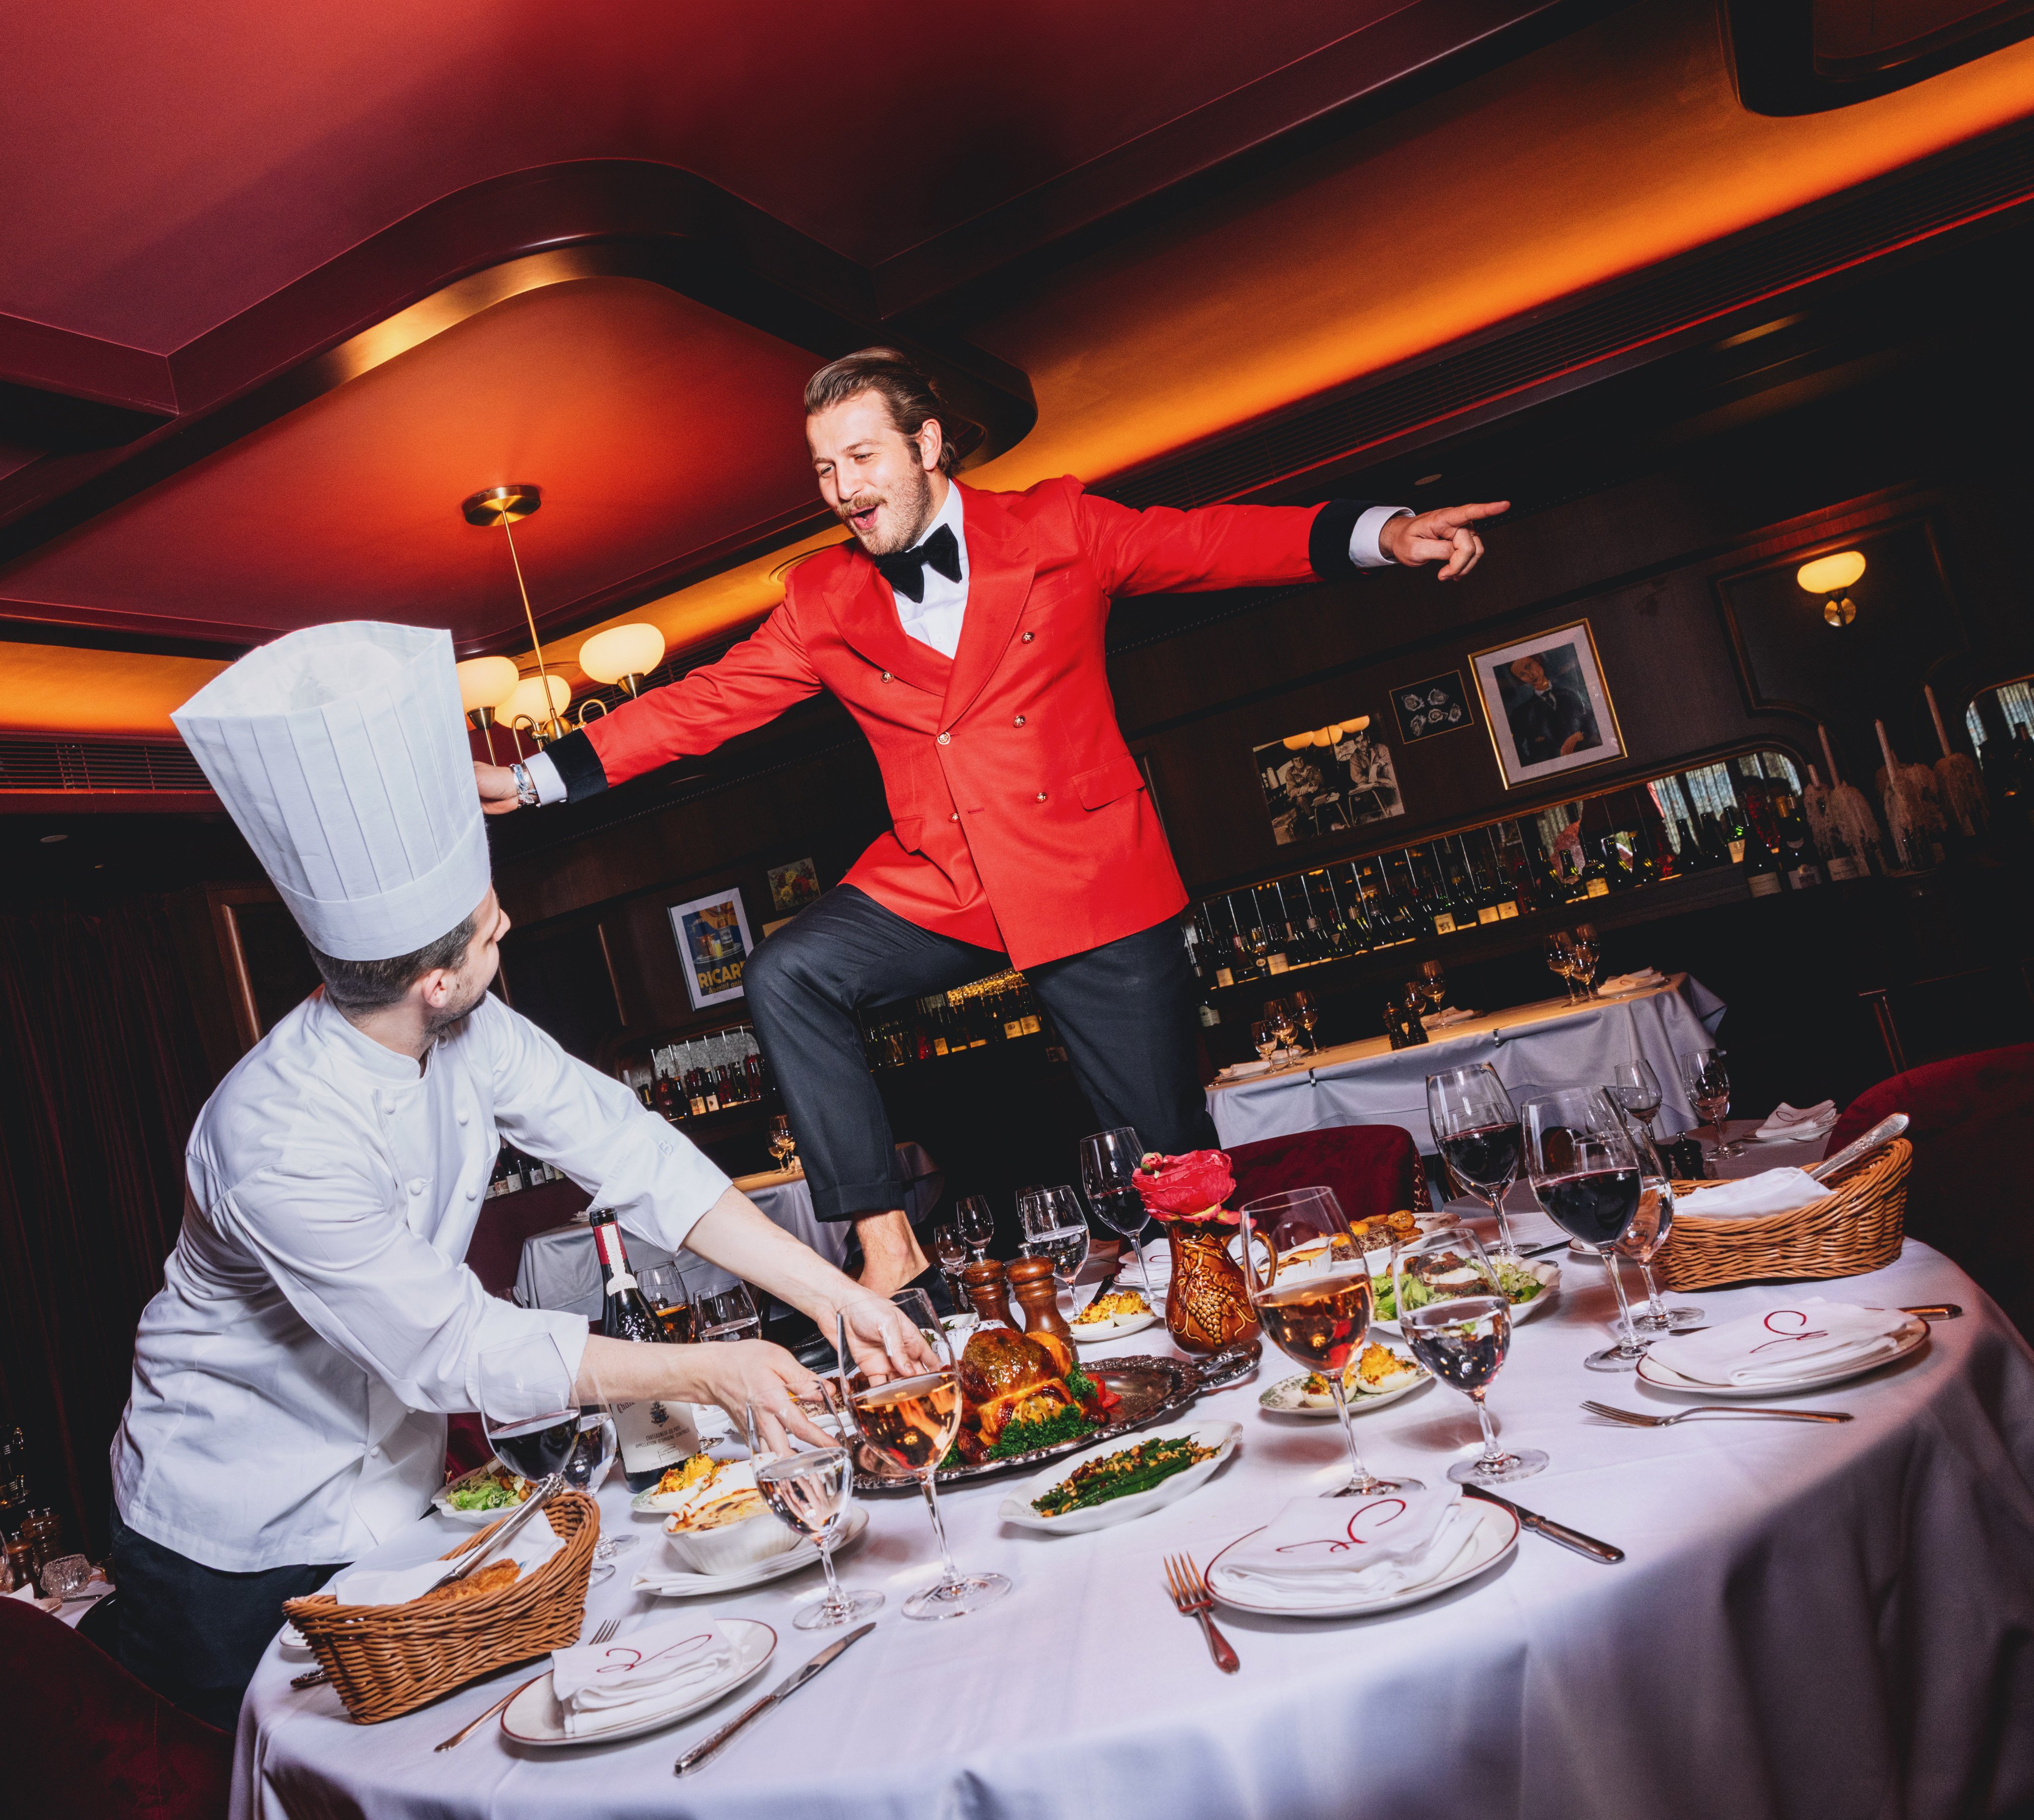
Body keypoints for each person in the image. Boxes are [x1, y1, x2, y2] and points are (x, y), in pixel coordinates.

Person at [478, 349, 1507, 1290]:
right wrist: (531, 779)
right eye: (825, 467)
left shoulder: (1055, 526)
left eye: (863, 454)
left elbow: (1206, 543)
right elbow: (705, 702)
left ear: (927, 445)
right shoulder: (822, 597)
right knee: (789, 973)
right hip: (941, 878)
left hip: (1088, 875)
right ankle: (885, 1237)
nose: (844, 487)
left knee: (1175, 1181)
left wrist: (1383, 533)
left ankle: (1233, 1332)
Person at [112, 621, 918, 1730]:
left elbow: (634, 1152)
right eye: (491, 927)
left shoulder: (469, 1024)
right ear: (435, 982)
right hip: (231, 1536)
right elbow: (456, 1347)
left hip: (390, 1511)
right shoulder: (275, 1136)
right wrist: (713, 1370)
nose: (510, 924)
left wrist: (838, 1295)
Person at [1504, 652, 1600, 765]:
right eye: (1522, 675)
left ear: (1538, 661)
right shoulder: (1522, 713)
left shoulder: (1570, 692)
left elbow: (1593, 722)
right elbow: (1519, 755)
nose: (1530, 675)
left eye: (1529, 667)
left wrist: (1578, 736)